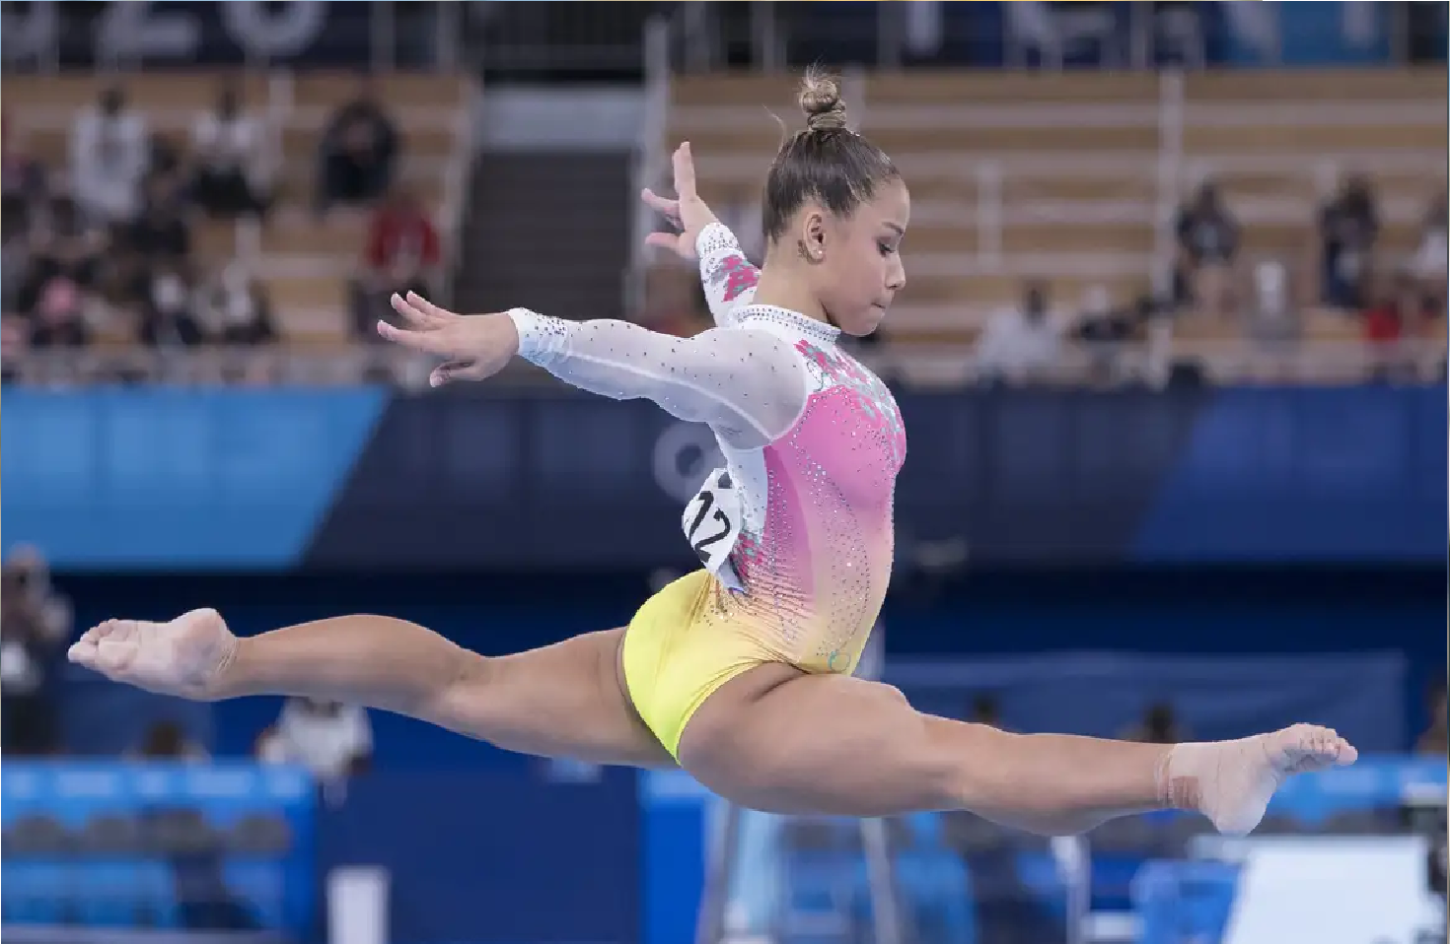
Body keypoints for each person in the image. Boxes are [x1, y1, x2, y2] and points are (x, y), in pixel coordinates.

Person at [69, 71, 1355, 838]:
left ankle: (224, 658)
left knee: (459, 685)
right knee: (958, 755)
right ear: (818, 229)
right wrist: (513, 330)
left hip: (701, 638)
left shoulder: (775, 325)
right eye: (888, 242)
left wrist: (705, 231)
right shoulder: (772, 365)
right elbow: (659, 360)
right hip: (751, 691)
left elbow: (745, 292)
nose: (903, 270)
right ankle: (1199, 773)